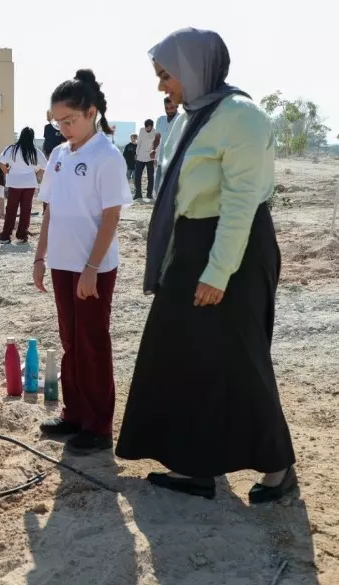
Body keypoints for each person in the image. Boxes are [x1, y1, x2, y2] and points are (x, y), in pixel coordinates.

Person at [115, 28, 297, 503]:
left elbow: (240, 202)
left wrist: (218, 272)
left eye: (166, 75)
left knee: (239, 356)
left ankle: (279, 466)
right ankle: (195, 466)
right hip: (194, 242)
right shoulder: (190, 118)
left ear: (195, 68)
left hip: (234, 246)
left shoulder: (242, 117)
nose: (162, 87)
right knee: (178, 353)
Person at [34, 70, 132, 454]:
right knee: (71, 341)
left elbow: (111, 216)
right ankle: (73, 413)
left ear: (91, 112)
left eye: (70, 121)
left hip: (93, 267)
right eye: (59, 122)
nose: (64, 129)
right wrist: (41, 255)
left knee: (92, 343)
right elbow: (49, 210)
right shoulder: (59, 154)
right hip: (61, 262)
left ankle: (98, 425)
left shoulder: (106, 156)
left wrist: (91, 268)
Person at [0, 128, 47, 244]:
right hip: (29, 184)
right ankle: (22, 235)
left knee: (11, 210)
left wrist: (6, 171)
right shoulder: (35, 151)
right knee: (26, 210)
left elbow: (1, 162)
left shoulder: (12, 149)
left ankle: (6, 236)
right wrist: (36, 175)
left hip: (14, 183)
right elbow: (45, 166)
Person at [134, 119, 157, 201]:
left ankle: (149, 194)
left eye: (148, 127)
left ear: (152, 126)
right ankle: (138, 194)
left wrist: (155, 158)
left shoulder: (155, 132)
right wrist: (136, 153)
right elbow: (139, 142)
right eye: (146, 127)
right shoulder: (141, 130)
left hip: (150, 158)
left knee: (150, 177)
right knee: (137, 176)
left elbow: (156, 146)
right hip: (140, 156)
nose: (147, 128)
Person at [154, 96, 180, 162]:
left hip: (176, 162)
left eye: (171, 108)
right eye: (166, 108)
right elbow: (157, 138)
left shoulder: (183, 120)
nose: (169, 110)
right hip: (161, 161)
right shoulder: (160, 120)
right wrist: (153, 149)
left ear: (177, 106)